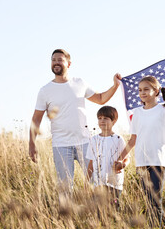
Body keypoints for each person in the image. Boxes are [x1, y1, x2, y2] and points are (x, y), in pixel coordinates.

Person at [29, 49, 121, 191]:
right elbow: (36, 119)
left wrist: (115, 86)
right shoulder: (45, 91)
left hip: (85, 143)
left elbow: (101, 99)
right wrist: (32, 144)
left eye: (60, 60)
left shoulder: (79, 83)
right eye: (53, 60)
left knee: (95, 183)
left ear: (69, 64)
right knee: (65, 188)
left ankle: (98, 212)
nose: (56, 63)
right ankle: (68, 213)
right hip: (61, 145)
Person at [114, 76, 165, 228]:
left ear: (156, 91)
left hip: (158, 161)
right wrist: (120, 158)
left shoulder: (163, 110)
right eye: (140, 90)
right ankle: (157, 228)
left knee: (156, 198)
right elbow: (133, 139)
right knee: (148, 199)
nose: (142, 93)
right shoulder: (137, 113)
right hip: (142, 161)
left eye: (146, 89)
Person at [86, 106, 129, 209]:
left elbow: (127, 158)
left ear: (114, 121)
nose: (102, 121)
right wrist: (86, 182)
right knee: (98, 211)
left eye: (106, 118)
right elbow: (91, 163)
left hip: (114, 183)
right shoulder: (94, 140)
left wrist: (123, 164)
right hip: (98, 183)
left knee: (113, 211)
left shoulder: (118, 139)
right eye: (100, 118)